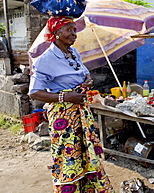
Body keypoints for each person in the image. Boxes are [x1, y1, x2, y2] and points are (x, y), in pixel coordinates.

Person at [29, 16, 113, 193]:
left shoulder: (73, 53)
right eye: (69, 29)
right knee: (68, 157)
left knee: (85, 156)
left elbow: (84, 73)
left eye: (74, 30)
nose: (74, 34)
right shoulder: (46, 59)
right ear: (56, 33)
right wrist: (65, 98)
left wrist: (87, 80)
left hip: (80, 112)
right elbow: (34, 92)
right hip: (63, 118)